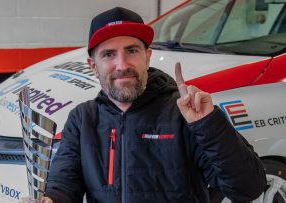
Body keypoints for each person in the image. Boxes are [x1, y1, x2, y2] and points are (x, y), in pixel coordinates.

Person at [42, 7, 266, 203]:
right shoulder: (83, 119)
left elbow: (247, 188)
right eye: (109, 54)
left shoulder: (184, 114)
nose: (122, 65)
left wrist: (209, 125)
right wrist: (51, 199)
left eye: (132, 50)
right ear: (93, 66)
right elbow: (64, 183)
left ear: (147, 57)